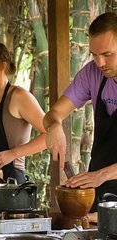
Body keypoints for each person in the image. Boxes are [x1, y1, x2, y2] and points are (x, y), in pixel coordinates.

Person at [44, 12, 117, 215]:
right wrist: (54, 125)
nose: (100, 63)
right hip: (100, 187)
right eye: (94, 54)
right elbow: (54, 113)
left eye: (107, 54)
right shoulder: (91, 73)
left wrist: (101, 175)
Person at [0, 42, 47, 184]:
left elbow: (49, 134)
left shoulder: (18, 96)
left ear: (2, 65)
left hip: (10, 183)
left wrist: (13, 154)